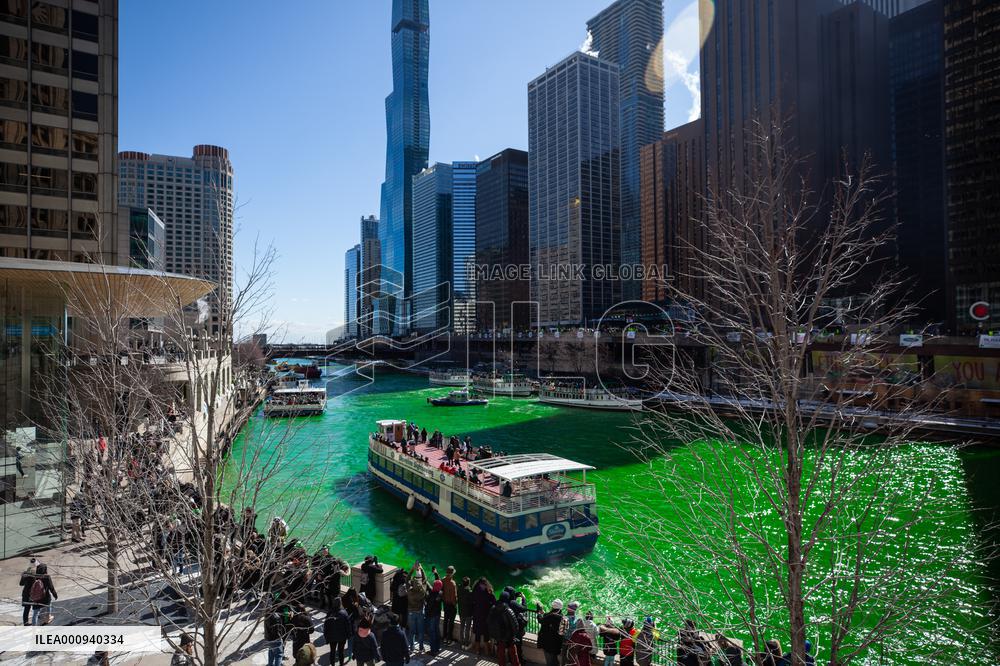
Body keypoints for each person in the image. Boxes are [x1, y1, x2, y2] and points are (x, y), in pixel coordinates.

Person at [488, 591, 521, 666]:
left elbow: (489, 621)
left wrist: (494, 634)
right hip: (509, 638)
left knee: (501, 655)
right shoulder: (508, 610)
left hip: (499, 637)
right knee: (514, 655)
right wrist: (514, 636)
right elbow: (515, 625)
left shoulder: (493, 608)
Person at [470, 576, 495, 655]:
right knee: (486, 633)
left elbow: (472, 602)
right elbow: (494, 602)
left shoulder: (474, 591)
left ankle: (477, 650)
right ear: (485, 583)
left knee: (477, 633)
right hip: (485, 616)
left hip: (477, 615)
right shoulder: (488, 592)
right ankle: (487, 651)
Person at [324, 597, 351, 666]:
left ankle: (332, 664)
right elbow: (348, 626)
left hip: (332, 637)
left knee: (332, 652)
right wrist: (349, 635)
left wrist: (326, 637)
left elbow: (326, 626)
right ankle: (341, 664)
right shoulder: (344, 613)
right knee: (341, 652)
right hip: (342, 636)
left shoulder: (330, 613)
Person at [406, 567, 428, 652]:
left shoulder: (410, 591)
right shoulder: (422, 591)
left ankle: (411, 647)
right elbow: (425, 580)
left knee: (411, 631)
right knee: (421, 631)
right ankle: (421, 647)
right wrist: (422, 569)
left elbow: (407, 579)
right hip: (420, 612)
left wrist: (412, 569)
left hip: (411, 612)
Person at [537, 599, 565, 666]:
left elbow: (541, 620)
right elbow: (562, 632)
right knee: (555, 660)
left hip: (547, 643)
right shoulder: (564, 618)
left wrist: (539, 614)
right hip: (557, 644)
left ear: (552, 607)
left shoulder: (548, 616)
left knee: (549, 661)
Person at [424, 578, 443, 655]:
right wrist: (426, 582)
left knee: (432, 633)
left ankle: (433, 651)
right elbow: (431, 588)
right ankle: (437, 648)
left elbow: (429, 607)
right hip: (437, 615)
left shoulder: (432, 595)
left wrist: (426, 614)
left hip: (431, 615)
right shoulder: (440, 593)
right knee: (437, 631)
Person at [442, 565, 458, 644]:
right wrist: (455, 605)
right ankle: (449, 639)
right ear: (452, 574)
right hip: (451, 605)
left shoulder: (443, 580)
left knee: (445, 620)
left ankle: (444, 637)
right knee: (451, 622)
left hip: (445, 603)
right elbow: (454, 597)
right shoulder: (453, 583)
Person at [560, 602, 580, 666]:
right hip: (574, 641)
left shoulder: (565, 618)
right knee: (572, 657)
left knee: (564, 656)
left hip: (565, 640)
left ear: (568, 609)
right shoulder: (578, 619)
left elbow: (561, 632)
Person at [458, 576, 474, 647]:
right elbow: (472, 602)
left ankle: (462, 641)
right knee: (467, 628)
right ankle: (466, 642)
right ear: (468, 583)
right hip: (468, 613)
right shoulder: (470, 591)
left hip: (461, 611)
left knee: (462, 627)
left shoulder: (459, 589)